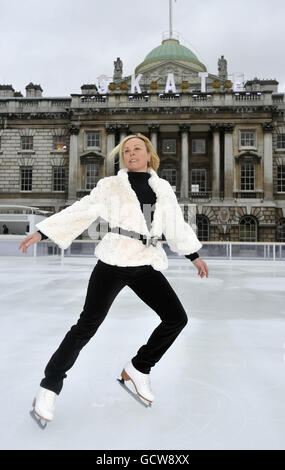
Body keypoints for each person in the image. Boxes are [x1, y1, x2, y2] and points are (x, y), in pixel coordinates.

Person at [19, 133, 209, 426]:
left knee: (176, 318)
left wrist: (193, 255)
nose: (132, 154)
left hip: (145, 261)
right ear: (123, 157)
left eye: (137, 149)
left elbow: (174, 224)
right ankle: (49, 386)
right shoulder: (110, 186)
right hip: (113, 259)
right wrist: (45, 231)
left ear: (148, 155)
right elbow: (83, 209)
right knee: (86, 326)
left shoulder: (162, 188)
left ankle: (138, 368)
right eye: (127, 150)